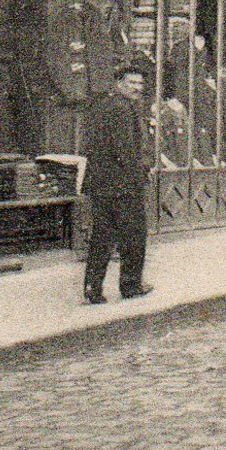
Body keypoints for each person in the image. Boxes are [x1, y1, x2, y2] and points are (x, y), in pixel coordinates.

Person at [81, 56, 154, 305]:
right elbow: (126, 151)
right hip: (123, 185)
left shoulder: (103, 104)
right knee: (134, 235)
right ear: (119, 83)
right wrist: (139, 176)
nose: (137, 87)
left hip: (101, 184)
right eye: (132, 82)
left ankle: (93, 287)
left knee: (102, 236)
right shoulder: (124, 109)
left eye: (140, 83)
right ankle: (131, 285)